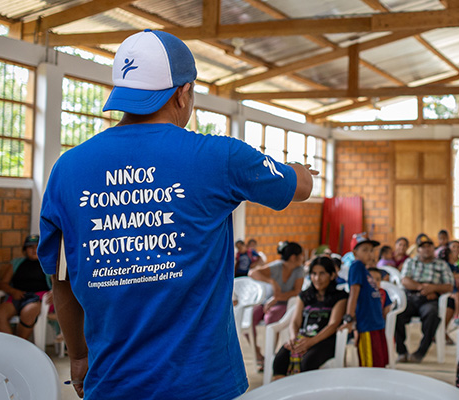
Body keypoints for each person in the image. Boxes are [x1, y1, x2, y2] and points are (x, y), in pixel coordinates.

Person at [37, 30, 316, 400]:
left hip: (111, 383)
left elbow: (61, 279)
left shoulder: (67, 169)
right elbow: (300, 187)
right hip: (202, 385)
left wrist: (79, 356)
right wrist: (302, 167)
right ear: (182, 93)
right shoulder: (218, 157)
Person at [271, 256, 347, 380]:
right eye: (314, 274)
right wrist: (293, 338)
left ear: (332, 275)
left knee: (308, 362)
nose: (317, 278)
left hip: (325, 340)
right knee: (280, 360)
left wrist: (311, 342)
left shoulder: (340, 297)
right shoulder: (304, 295)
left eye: (322, 274)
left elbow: (333, 324)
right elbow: (295, 322)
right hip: (303, 338)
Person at [395, 234, 455, 363]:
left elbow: (449, 286)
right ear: (418, 250)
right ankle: (401, 351)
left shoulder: (441, 264)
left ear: (434, 248)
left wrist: (433, 288)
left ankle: (420, 352)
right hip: (411, 297)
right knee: (395, 313)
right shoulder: (411, 262)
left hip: (430, 300)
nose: (426, 249)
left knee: (433, 315)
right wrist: (422, 288)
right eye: (423, 247)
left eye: (429, 246)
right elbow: (404, 280)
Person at [248, 241, 306, 370]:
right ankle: (258, 354)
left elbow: (297, 292)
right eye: (301, 255)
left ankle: (270, 355)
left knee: (271, 317)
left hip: (286, 303)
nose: (303, 258)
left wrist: (277, 298)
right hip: (268, 301)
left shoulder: (299, 270)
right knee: (250, 317)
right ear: (293, 257)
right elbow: (252, 273)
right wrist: (271, 281)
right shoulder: (277, 266)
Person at [341, 234, 388, 368]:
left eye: (371, 250)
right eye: (365, 250)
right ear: (355, 252)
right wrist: (349, 318)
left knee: (379, 362)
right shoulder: (356, 266)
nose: (370, 254)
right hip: (367, 324)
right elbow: (354, 294)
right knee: (370, 365)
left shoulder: (365, 270)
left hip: (376, 322)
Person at [0, 235, 51, 340]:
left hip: (37, 298)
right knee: (0, 313)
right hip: (17, 296)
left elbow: (56, 284)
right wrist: (13, 291)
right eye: (30, 247)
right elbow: (3, 283)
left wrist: (53, 293)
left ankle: (20, 344)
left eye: (37, 246)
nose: (34, 250)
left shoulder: (47, 264)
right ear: (25, 250)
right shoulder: (16, 263)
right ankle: (9, 346)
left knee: (28, 312)